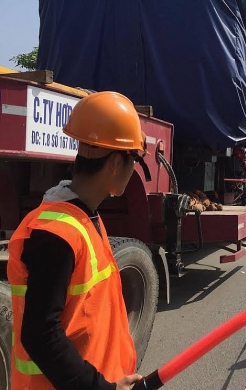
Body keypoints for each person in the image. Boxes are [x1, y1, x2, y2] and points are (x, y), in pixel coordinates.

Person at [8, 91, 150, 390]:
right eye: (134, 159)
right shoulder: (56, 236)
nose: (133, 169)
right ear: (114, 163)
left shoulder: (82, 217)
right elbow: (40, 335)